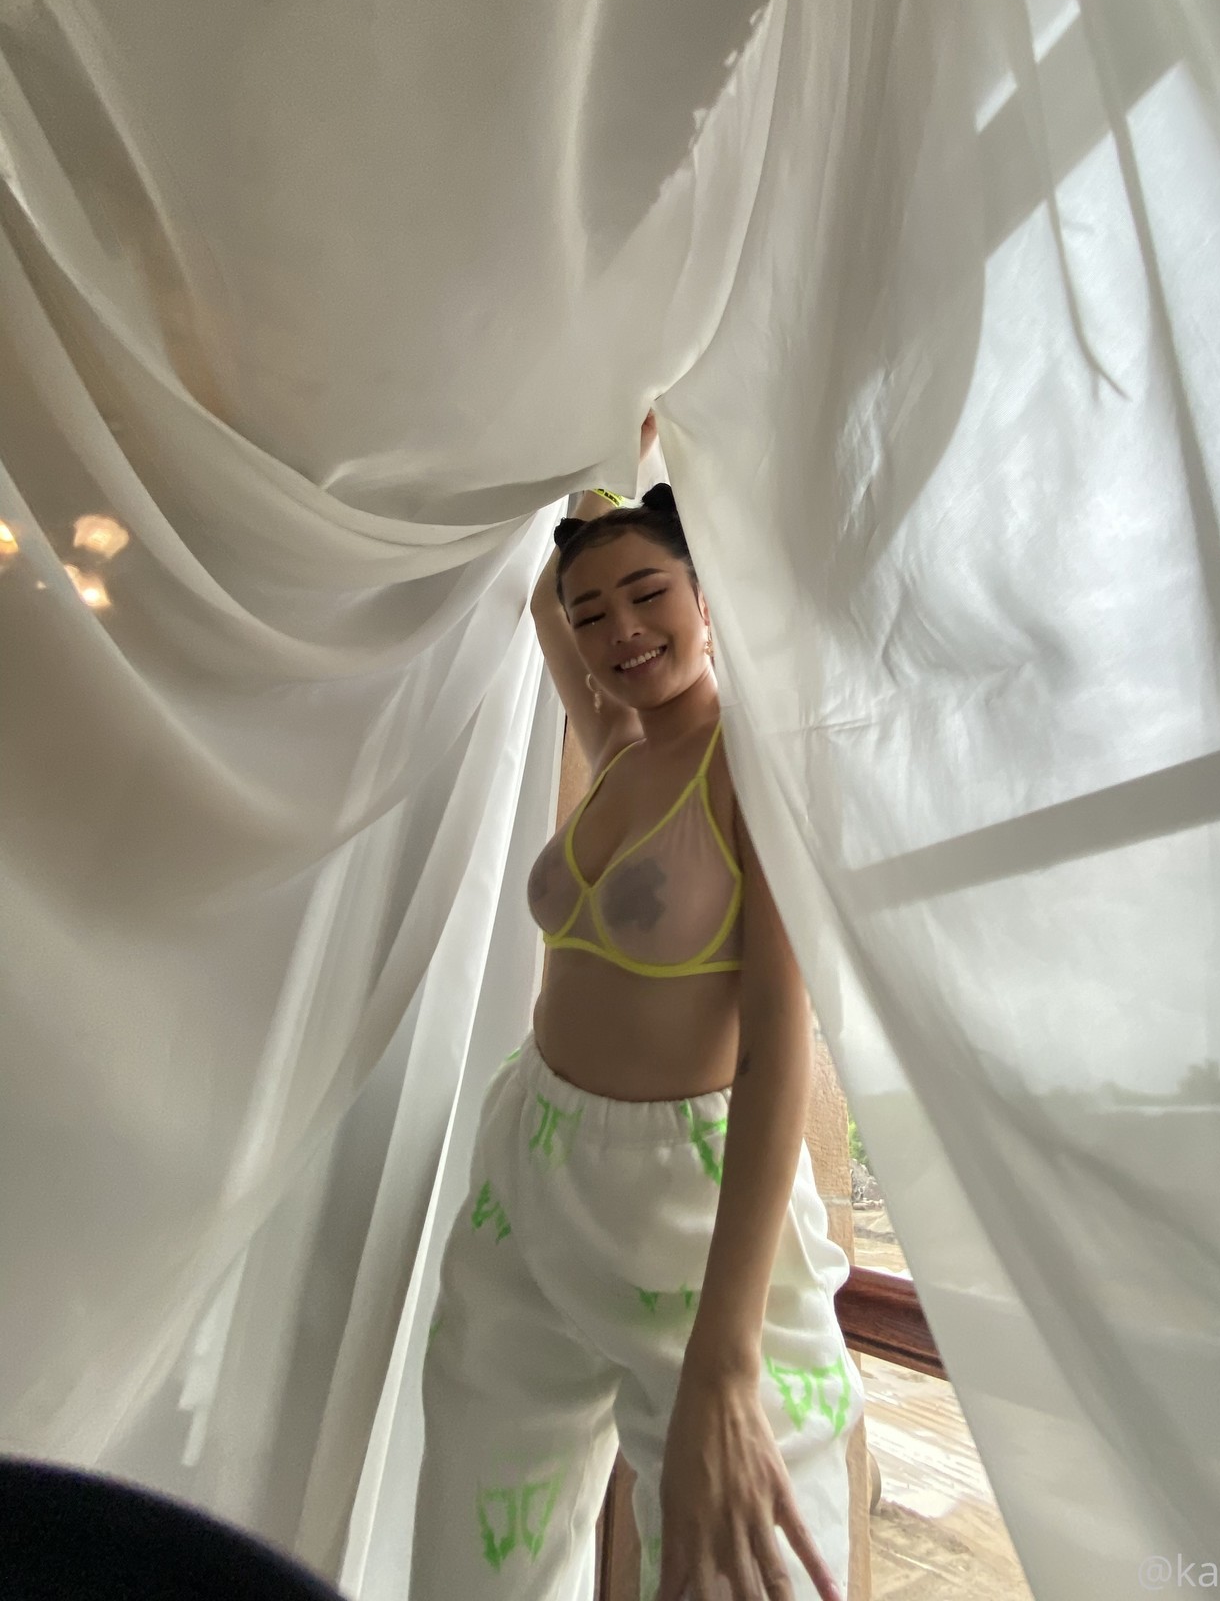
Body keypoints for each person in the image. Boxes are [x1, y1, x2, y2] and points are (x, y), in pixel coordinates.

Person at [411, 414, 862, 1601]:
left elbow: (778, 1053)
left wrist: (725, 1361)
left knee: (746, 1559)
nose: (618, 630)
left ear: (708, 600)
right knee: (476, 1549)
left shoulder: (754, 769)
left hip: (690, 1197)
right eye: (594, 613)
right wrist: (607, 429)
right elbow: (541, 591)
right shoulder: (613, 741)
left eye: (649, 594)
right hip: (534, 1160)